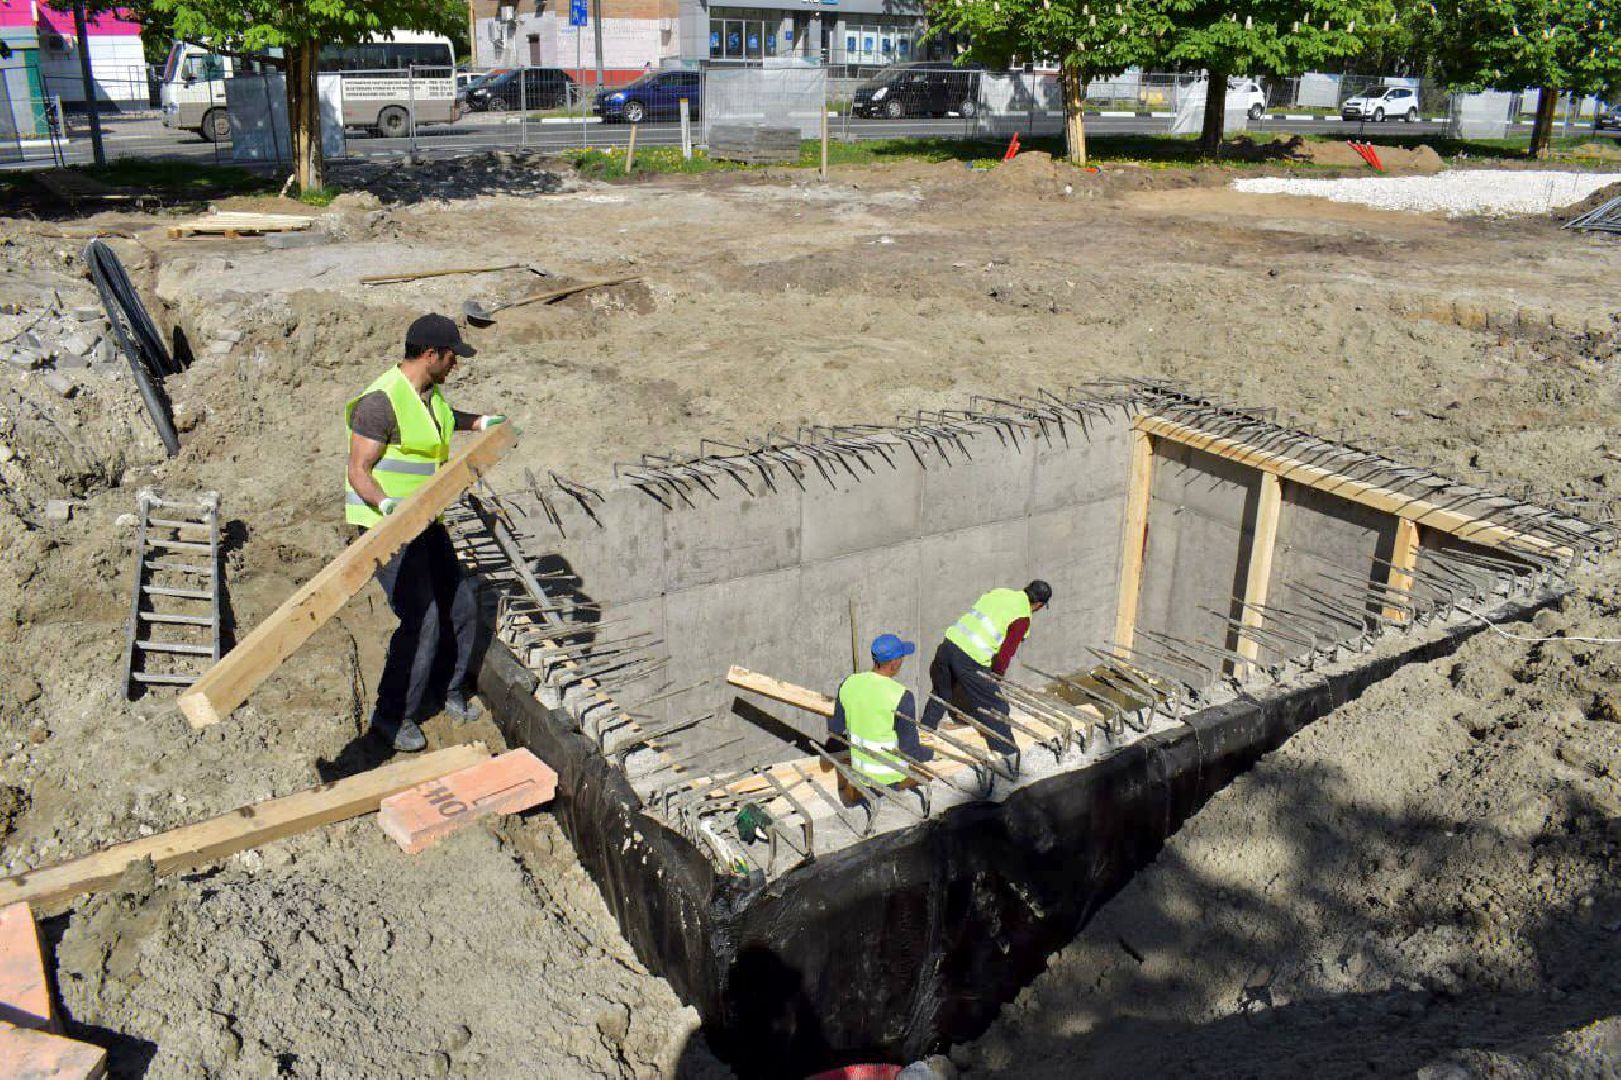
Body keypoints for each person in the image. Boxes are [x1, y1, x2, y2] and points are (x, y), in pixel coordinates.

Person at [345, 313, 506, 752]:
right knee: (422, 618)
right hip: (387, 529)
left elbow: (444, 418)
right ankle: (391, 717)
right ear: (431, 354)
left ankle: (446, 690)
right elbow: (358, 470)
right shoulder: (379, 402)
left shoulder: (428, 396)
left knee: (463, 604)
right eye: (453, 356)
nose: (457, 364)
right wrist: (386, 506)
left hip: (424, 520)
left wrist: (480, 423)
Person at [918, 580, 1051, 745]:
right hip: (971, 658)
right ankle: (1005, 754)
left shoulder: (1000, 592)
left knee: (941, 693)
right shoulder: (1022, 617)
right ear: (1039, 604)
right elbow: (1006, 652)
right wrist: (997, 674)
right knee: (997, 706)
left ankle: (924, 733)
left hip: (948, 645)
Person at [830, 633, 932, 797]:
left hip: (860, 774)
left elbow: (835, 727)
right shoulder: (901, 696)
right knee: (928, 774)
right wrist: (932, 753)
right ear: (894, 663)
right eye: (902, 658)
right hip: (890, 778)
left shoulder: (848, 683)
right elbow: (910, 751)